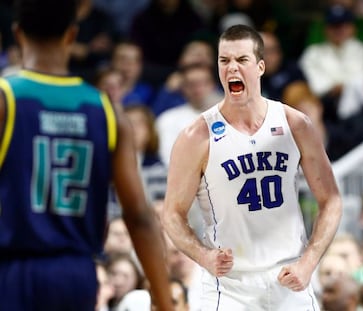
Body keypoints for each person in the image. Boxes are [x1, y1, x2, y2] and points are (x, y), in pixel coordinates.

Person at [0, 1, 173, 310]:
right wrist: (164, 301)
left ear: (17, 33)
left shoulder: (6, 98)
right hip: (78, 274)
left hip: (14, 270)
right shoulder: (107, 111)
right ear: (71, 35)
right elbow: (139, 216)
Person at [162, 24, 342, 310]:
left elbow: (331, 199)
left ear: (260, 66)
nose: (232, 68)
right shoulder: (196, 136)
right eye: (224, 61)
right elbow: (171, 213)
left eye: (241, 60)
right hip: (230, 284)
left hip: (288, 276)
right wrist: (203, 255)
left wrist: (309, 262)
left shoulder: (294, 124)